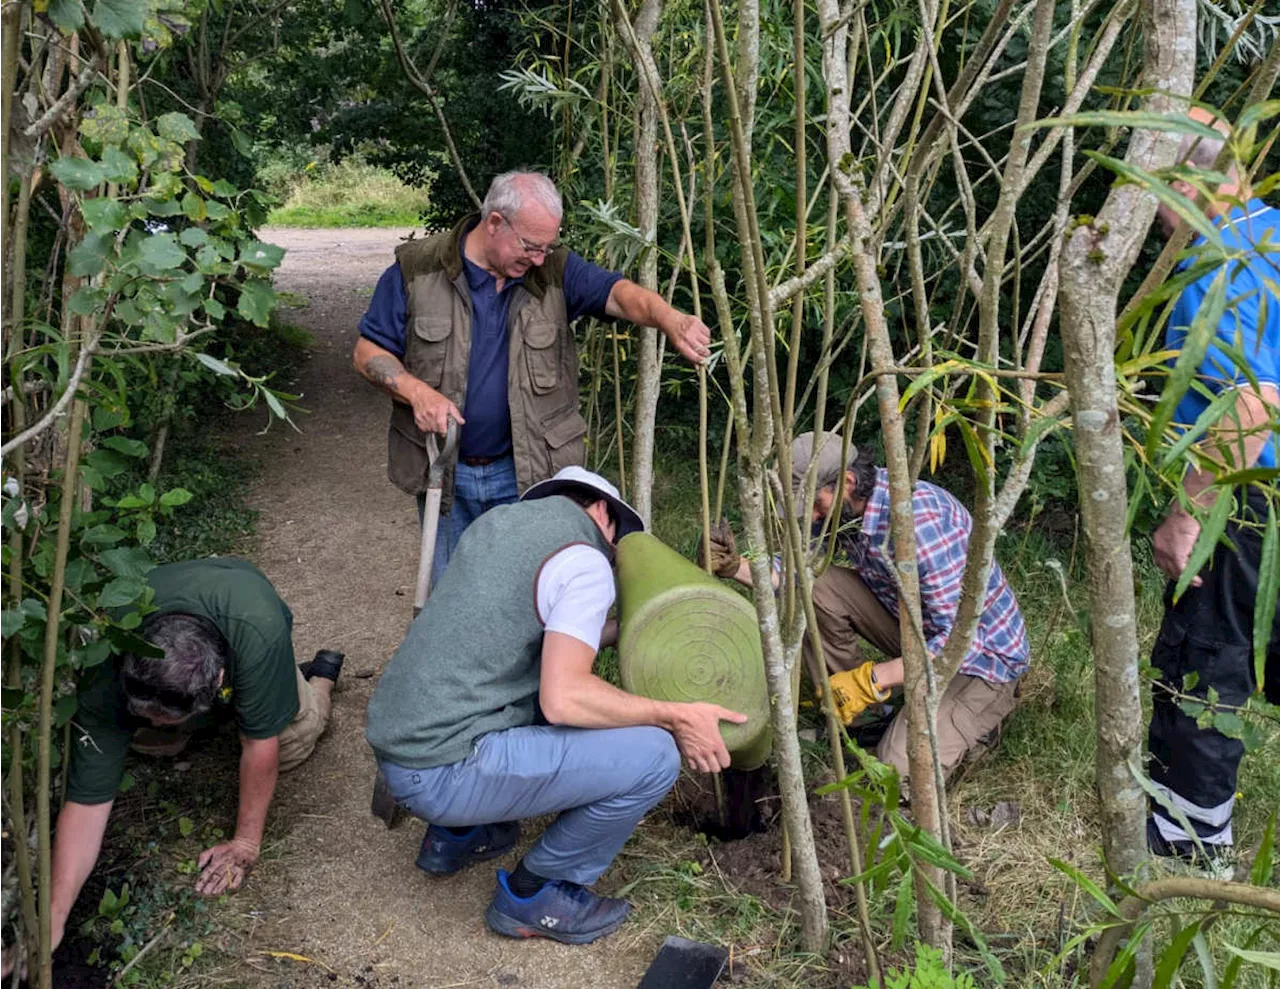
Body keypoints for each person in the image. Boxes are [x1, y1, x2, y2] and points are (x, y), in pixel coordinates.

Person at [365, 466, 746, 945]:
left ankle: (456, 836)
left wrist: (627, 632)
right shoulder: (584, 559)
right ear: (604, 513)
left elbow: (526, 636)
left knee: (521, 689)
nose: (613, 557)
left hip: (406, 745)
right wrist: (675, 714)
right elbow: (564, 699)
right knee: (654, 755)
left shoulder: (498, 526)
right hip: (444, 770)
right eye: (618, 544)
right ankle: (538, 891)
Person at [353, 170, 712, 581]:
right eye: (530, 246)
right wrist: (416, 392)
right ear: (494, 224)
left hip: (526, 473)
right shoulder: (416, 269)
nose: (540, 258)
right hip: (446, 470)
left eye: (547, 247)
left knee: (527, 596)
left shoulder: (553, 271)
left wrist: (670, 318)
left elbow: (620, 295)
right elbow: (367, 353)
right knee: (452, 597)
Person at [0, 557, 342, 976]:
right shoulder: (104, 656)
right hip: (189, 630)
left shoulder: (257, 633)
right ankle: (196, 717)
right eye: (145, 712)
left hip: (245, 609)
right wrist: (53, 913)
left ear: (218, 680)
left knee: (292, 741)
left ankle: (319, 683)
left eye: (165, 716)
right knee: (151, 742)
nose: (151, 722)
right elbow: (88, 800)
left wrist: (245, 843)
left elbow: (260, 747)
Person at [703, 432, 1029, 780]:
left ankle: (979, 722)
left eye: (813, 504)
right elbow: (801, 570)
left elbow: (957, 641)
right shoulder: (846, 511)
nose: (811, 517)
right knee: (817, 586)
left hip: (979, 660)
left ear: (846, 481)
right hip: (917, 629)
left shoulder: (919, 524)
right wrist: (734, 567)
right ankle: (869, 718)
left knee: (897, 771)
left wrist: (871, 679)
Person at [1144, 111, 1280, 871]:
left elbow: (1252, 399)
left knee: (1208, 663)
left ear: (1189, 181)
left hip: (1245, 498)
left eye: (1156, 188)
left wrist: (1187, 514)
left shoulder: (1220, 257)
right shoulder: (1274, 231)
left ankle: (1189, 841)